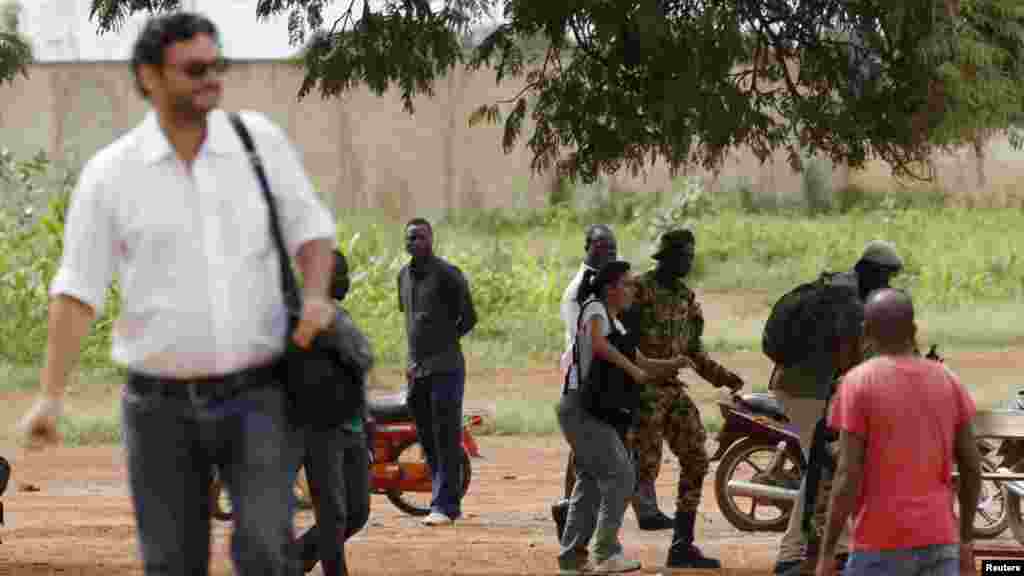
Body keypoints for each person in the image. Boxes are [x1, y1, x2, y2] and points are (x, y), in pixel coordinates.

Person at [14, 12, 338, 576]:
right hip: (157, 411)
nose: (210, 78)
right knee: (171, 562)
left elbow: (311, 232)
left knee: (266, 551)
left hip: (258, 396)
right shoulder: (111, 174)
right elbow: (76, 289)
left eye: (217, 65)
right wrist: (50, 394)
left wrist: (316, 296)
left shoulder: (256, 143)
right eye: (194, 69)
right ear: (149, 77)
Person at [816, 289, 981, 576]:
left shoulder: (857, 383)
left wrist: (827, 550)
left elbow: (847, 474)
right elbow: (971, 465)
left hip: (879, 542)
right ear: (914, 330)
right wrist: (965, 540)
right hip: (940, 541)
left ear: (866, 331)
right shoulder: (948, 380)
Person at [771, 240, 904, 576]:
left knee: (828, 466)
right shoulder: (848, 302)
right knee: (830, 467)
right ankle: (794, 553)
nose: (887, 285)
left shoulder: (838, 288)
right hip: (809, 393)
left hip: (800, 387)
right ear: (872, 271)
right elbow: (851, 359)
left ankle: (835, 548)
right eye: (885, 277)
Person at [620, 229, 745, 568]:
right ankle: (576, 516)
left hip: (671, 389)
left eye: (691, 256)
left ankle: (682, 545)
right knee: (640, 469)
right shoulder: (639, 290)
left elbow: (694, 353)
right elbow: (621, 342)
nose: (688, 261)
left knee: (696, 458)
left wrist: (725, 378)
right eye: (683, 255)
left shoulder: (686, 299)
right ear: (666, 256)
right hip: (640, 386)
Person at [557, 260, 692, 575]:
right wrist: (633, 371)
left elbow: (641, 361)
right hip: (582, 408)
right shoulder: (595, 309)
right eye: (628, 284)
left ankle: (572, 559)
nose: (634, 289)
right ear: (610, 289)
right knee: (621, 475)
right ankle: (606, 552)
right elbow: (599, 345)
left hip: (593, 410)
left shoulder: (616, 323)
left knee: (590, 482)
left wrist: (674, 363)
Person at [294, 249, 372, 576]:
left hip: (352, 430)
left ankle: (295, 558)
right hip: (320, 432)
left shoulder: (342, 317)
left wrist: (366, 426)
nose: (346, 281)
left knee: (357, 512)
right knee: (333, 516)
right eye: (341, 274)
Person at [397, 217, 478, 526]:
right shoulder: (402, 276)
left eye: (420, 237)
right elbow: (412, 322)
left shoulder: (448, 275)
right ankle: (442, 497)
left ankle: (445, 506)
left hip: (446, 368)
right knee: (426, 437)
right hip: (417, 371)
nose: (414, 242)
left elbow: (468, 318)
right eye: (410, 238)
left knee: (446, 436)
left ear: (431, 240)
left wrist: (443, 341)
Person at [552, 224, 617, 550]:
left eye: (613, 248)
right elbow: (587, 342)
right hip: (583, 380)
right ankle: (569, 515)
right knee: (588, 457)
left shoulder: (601, 286)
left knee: (586, 457)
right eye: (602, 247)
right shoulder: (580, 290)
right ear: (587, 247)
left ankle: (570, 514)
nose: (609, 253)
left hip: (591, 380)